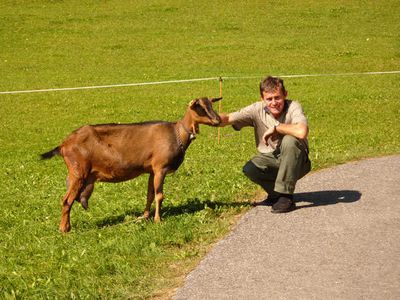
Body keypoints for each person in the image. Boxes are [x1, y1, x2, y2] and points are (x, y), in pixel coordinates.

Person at [219, 76, 311, 213]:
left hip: (298, 163)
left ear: (285, 94)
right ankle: (275, 195)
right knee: (251, 168)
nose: (274, 102)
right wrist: (202, 116)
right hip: (273, 159)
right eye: (269, 99)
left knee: (289, 140)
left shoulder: (293, 107)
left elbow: (302, 131)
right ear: (262, 98)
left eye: (277, 97)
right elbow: (227, 119)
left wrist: (277, 128)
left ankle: (286, 197)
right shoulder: (256, 109)